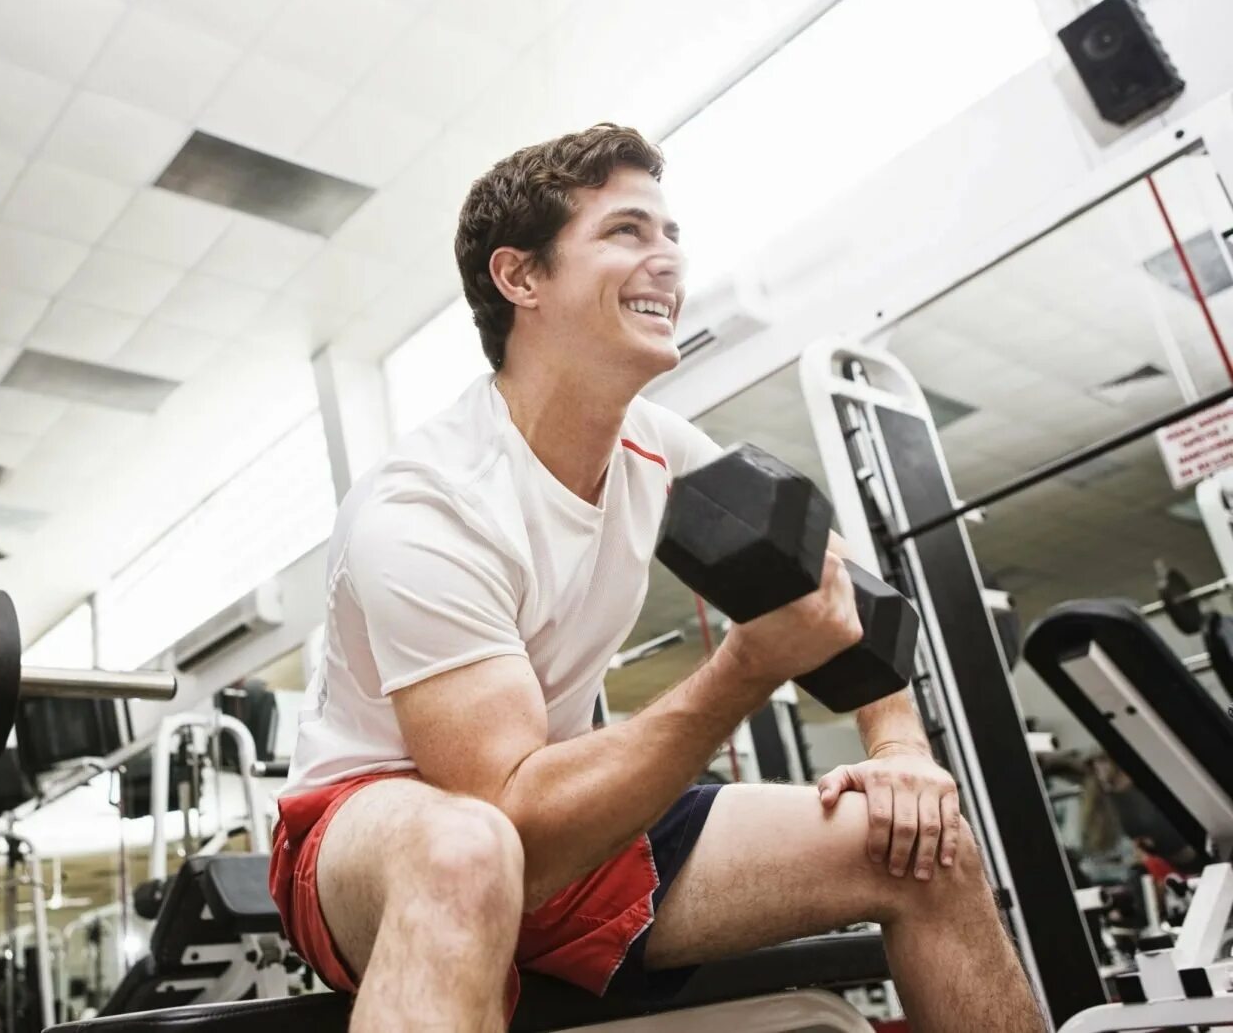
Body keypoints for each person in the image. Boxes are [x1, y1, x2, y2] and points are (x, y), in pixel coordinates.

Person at [269, 124, 1043, 1033]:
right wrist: (744, 671)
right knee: (465, 852)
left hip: (547, 815)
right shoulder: (429, 503)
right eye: (628, 232)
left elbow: (854, 602)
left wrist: (900, 751)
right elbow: (509, 819)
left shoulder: (661, 446)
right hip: (378, 833)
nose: (668, 260)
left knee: (923, 847)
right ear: (521, 279)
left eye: (671, 235)